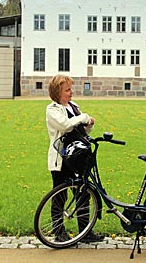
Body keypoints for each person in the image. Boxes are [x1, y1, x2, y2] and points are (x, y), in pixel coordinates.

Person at [46, 74, 104, 243]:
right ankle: (59, 232)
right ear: (58, 92)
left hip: (77, 157)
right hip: (62, 159)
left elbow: (81, 133)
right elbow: (65, 125)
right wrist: (85, 117)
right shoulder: (52, 110)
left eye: (71, 89)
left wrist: (89, 125)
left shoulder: (73, 107)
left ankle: (85, 232)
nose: (71, 93)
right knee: (60, 196)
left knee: (83, 194)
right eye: (67, 90)